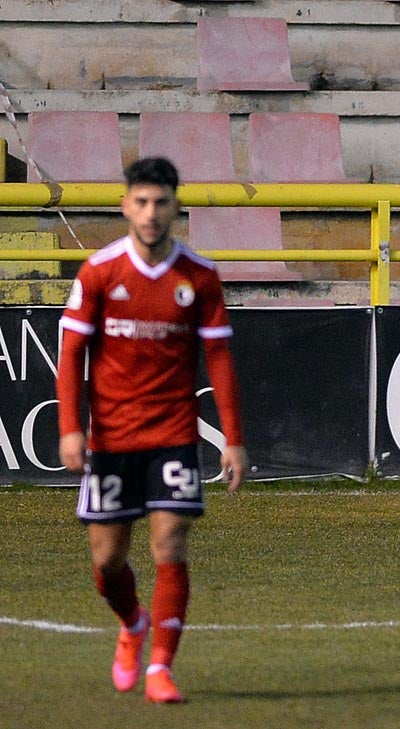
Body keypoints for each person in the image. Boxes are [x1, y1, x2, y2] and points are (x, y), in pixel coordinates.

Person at [57, 156, 248, 703]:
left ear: (175, 206)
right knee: (107, 560)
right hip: (113, 440)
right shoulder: (99, 272)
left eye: (161, 202)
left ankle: (161, 668)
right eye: (141, 202)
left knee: (170, 542)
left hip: (172, 433)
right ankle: (133, 623)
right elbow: (71, 356)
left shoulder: (199, 277)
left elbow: (220, 360)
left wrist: (233, 438)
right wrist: (72, 428)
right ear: (125, 206)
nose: (151, 212)